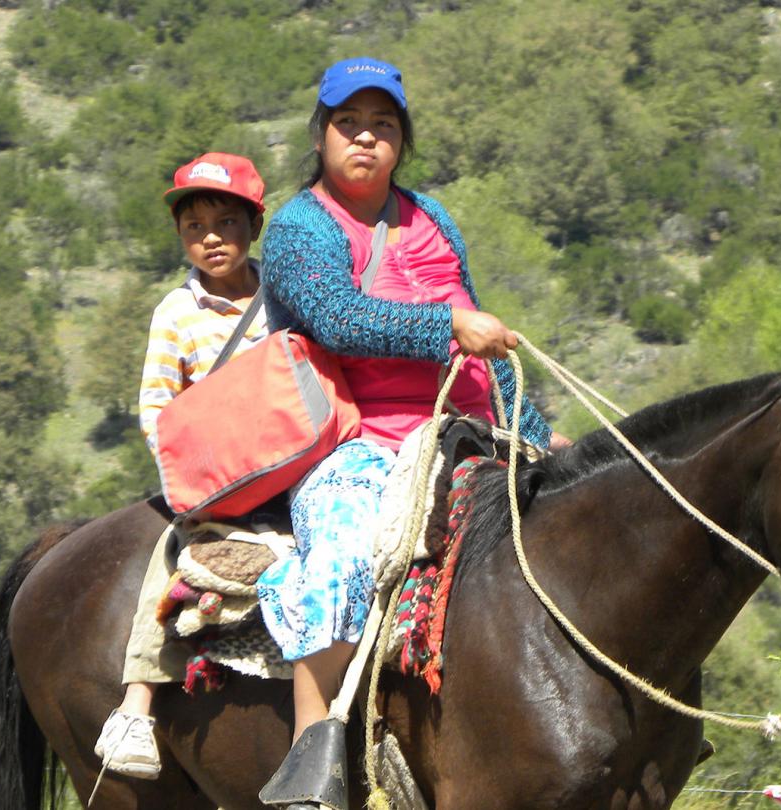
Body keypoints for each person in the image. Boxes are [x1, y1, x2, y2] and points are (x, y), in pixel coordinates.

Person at [254, 56, 570, 772]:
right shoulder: (300, 227)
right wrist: (449, 326)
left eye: (383, 124)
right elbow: (338, 319)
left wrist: (536, 434)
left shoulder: (434, 219)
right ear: (320, 136)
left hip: (473, 431)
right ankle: (310, 753)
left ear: (402, 141)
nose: (366, 137)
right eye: (348, 123)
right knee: (340, 557)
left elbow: (486, 348)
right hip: (360, 441)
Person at [94, 152, 269, 779]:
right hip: (214, 478)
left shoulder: (284, 299)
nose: (211, 238)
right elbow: (157, 408)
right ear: (179, 235)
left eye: (226, 223)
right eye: (195, 227)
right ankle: (137, 704)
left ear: (255, 225)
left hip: (290, 465)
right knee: (173, 558)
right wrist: (194, 471)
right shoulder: (176, 313)